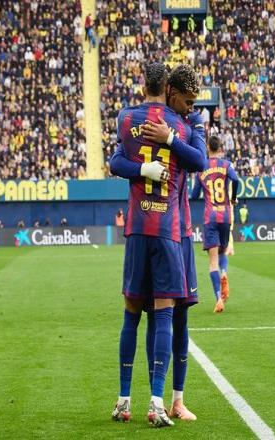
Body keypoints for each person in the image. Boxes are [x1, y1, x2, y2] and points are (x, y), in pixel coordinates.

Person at [109, 62, 204, 427]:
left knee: (131, 313)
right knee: (165, 314)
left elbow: (116, 161)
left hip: (136, 227)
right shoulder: (182, 127)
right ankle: (158, 403)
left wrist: (140, 169)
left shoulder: (126, 118)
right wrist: (171, 140)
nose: (191, 107)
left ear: (143, 84)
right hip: (169, 230)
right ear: (168, 90)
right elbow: (198, 160)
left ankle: (123, 400)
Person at [191, 136, 239, 313]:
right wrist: (233, 198)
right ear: (220, 148)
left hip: (210, 217)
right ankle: (224, 272)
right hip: (225, 216)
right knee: (223, 252)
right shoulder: (226, 164)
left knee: (212, 261)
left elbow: (194, 195)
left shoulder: (201, 168)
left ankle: (218, 298)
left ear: (207, 149)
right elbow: (236, 180)